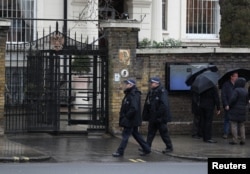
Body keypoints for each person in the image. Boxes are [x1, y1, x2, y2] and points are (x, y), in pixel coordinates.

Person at [112, 79, 151, 157]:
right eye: (126, 84)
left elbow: (134, 108)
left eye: (127, 84)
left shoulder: (133, 94)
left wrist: (126, 117)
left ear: (131, 85)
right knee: (136, 134)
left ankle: (120, 151)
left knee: (125, 136)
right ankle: (147, 149)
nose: (126, 85)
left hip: (131, 120)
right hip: (131, 120)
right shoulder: (129, 93)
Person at [142, 77, 173, 153]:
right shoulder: (152, 92)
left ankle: (169, 147)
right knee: (150, 133)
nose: (150, 84)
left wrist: (157, 114)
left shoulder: (162, 92)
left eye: (152, 83)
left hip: (160, 117)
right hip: (153, 117)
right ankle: (147, 147)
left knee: (163, 133)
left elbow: (164, 105)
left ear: (157, 83)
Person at [228, 77, 248, 145]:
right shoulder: (245, 91)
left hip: (235, 110)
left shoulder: (236, 90)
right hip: (243, 110)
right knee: (242, 125)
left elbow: (233, 99)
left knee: (234, 125)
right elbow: (246, 101)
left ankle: (235, 140)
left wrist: (229, 105)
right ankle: (243, 140)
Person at [221, 72, 238, 139]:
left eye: (237, 76)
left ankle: (236, 134)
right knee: (227, 119)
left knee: (236, 120)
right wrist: (226, 104)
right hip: (228, 105)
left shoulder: (238, 85)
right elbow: (223, 95)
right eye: (235, 76)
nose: (237, 78)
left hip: (236, 105)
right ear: (231, 77)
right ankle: (226, 133)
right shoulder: (226, 84)